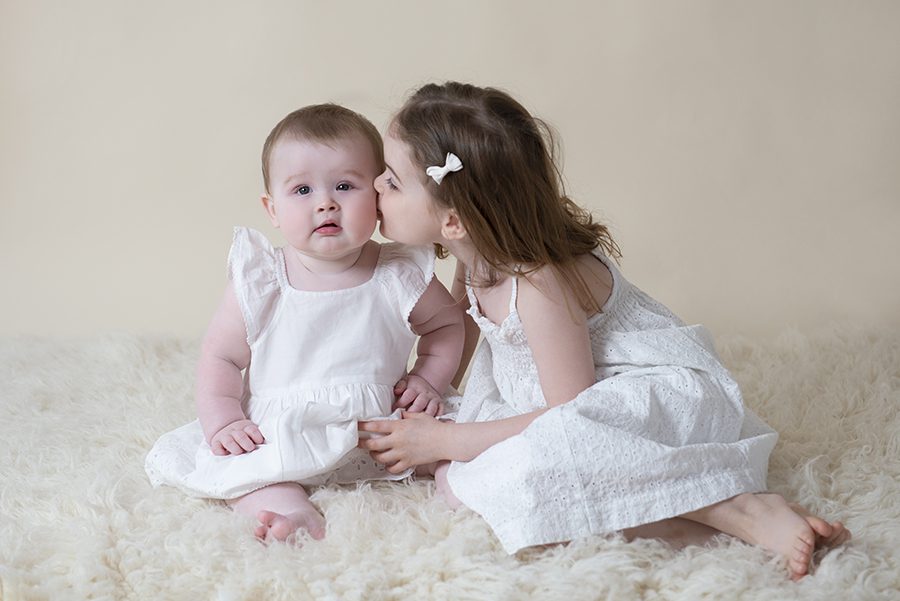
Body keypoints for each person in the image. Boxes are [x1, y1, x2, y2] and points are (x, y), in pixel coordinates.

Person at [358, 82, 850, 579]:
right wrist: (434, 394)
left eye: (392, 181)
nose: (375, 186)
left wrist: (446, 440)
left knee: (517, 472)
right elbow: (462, 326)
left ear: (454, 221)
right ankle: (687, 514)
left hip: (645, 396)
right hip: (564, 397)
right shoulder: (474, 255)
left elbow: (571, 415)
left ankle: (731, 513)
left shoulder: (536, 281)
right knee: (461, 484)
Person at [145, 104, 465, 542]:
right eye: (302, 191)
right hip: (283, 428)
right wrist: (224, 421)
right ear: (272, 208)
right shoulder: (262, 280)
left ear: (377, 196)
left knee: (453, 447)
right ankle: (290, 512)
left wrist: (428, 379)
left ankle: (462, 492)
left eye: (344, 186)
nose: (326, 203)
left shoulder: (398, 273)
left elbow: (447, 326)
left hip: (382, 427)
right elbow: (219, 355)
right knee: (251, 474)